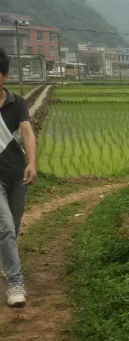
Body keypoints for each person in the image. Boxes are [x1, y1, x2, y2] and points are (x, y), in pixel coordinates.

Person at [0, 48, 37, 307]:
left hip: (16, 175)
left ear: (3, 76)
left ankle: (6, 261)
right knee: (5, 228)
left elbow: (27, 133)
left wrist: (31, 162)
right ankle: (15, 283)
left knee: (13, 224)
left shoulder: (17, 103)